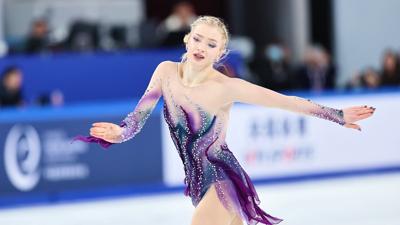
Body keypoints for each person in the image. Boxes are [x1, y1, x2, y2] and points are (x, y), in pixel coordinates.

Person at [74, 16, 375, 225]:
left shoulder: (226, 88)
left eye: (211, 44)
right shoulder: (165, 72)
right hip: (196, 185)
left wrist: (337, 116)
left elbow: (286, 102)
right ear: (187, 39)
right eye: (198, 39)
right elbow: (137, 119)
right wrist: (118, 132)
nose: (201, 47)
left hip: (222, 181)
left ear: (221, 52)